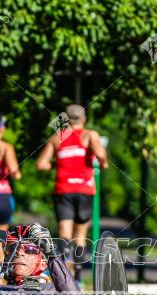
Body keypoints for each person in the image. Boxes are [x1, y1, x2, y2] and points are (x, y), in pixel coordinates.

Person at [35, 104, 108, 283]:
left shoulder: (57, 138)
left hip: (64, 189)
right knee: (80, 235)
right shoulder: (90, 135)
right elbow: (102, 159)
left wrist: (57, 164)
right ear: (84, 119)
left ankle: (67, 277)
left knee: (65, 235)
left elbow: (41, 164)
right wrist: (100, 160)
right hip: (84, 189)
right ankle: (78, 276)